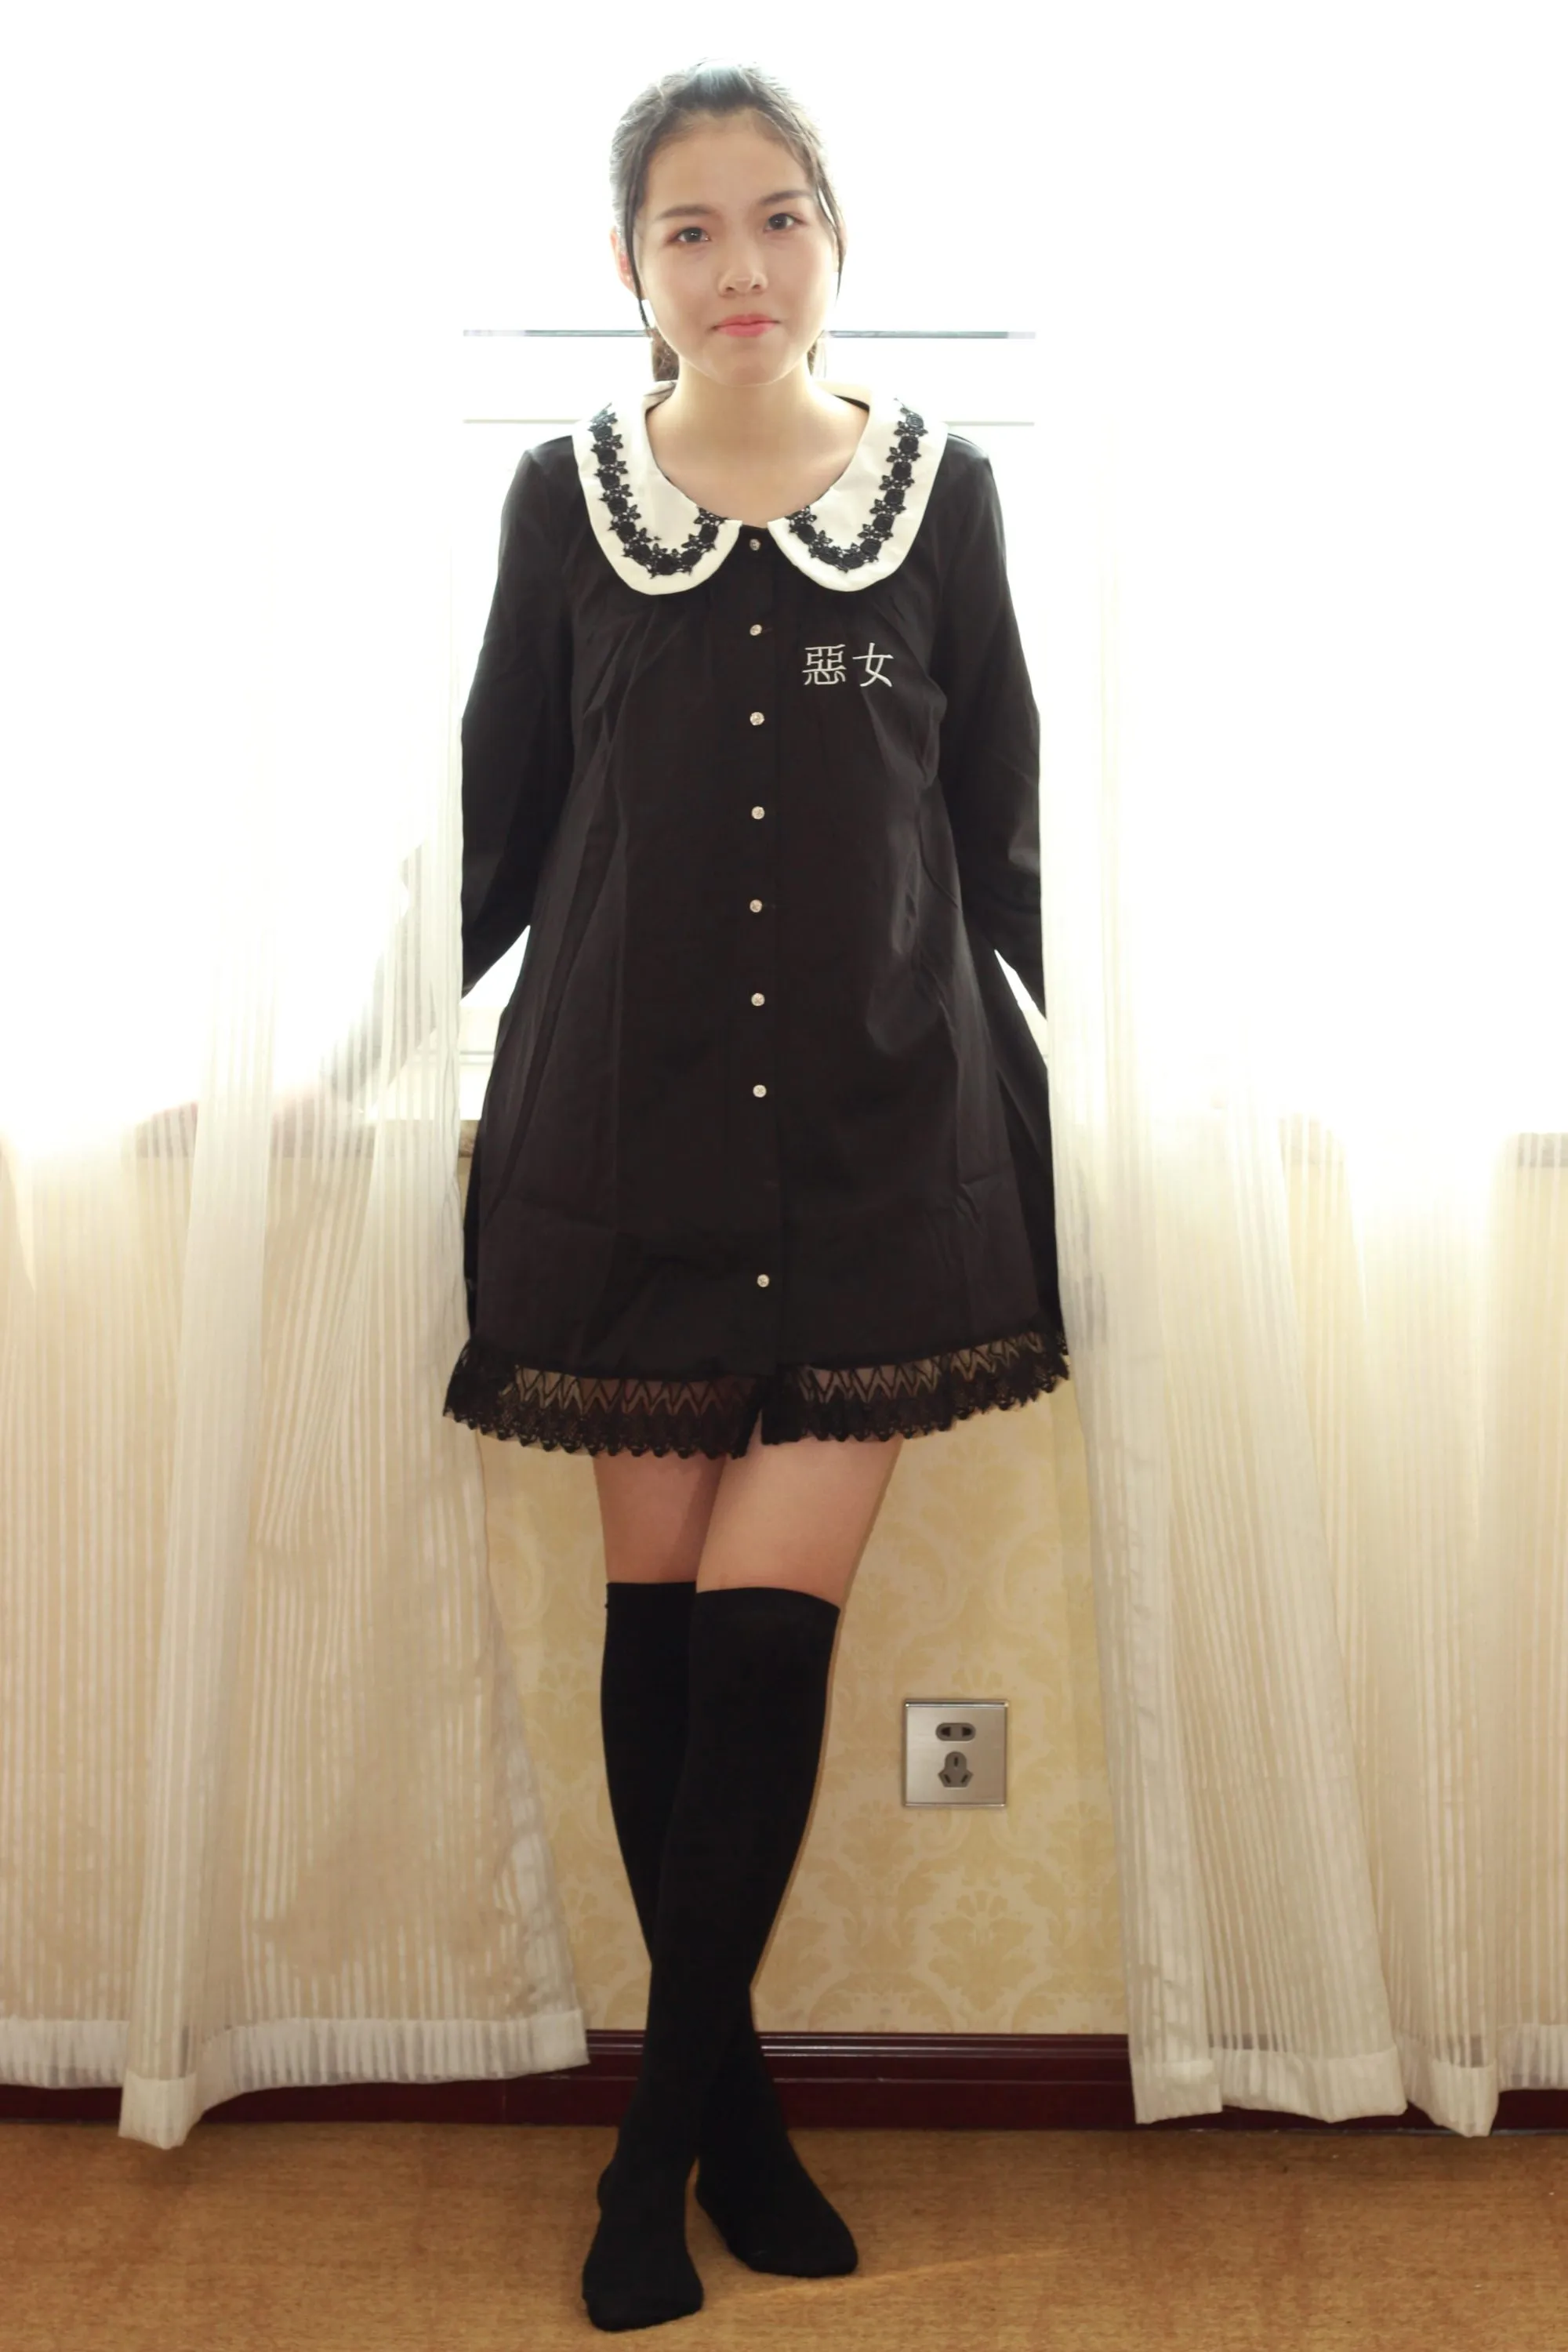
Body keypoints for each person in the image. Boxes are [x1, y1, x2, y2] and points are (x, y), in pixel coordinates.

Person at [443, 58, 1070, 2335]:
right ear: (628, 267)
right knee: (660, 1634)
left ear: (837, 239)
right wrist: (319, 1064)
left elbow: (997, 826)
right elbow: (500, 824)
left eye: (778, 217)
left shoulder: (940, 501)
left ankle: (651, 2152)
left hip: (892, 1153)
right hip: (623, 1152)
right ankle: (738, 2118)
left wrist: (1119, 1069)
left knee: (765, 1638)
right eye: (690, 228)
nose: (740, 266)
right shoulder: (565, 504)